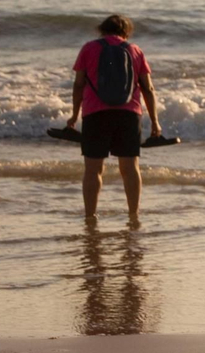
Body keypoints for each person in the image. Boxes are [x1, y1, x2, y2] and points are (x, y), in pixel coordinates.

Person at [66, 14, 162, 220]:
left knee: (93, 170)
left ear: (102, 29)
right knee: (130, 168)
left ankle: (90, 216)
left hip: (95, 114)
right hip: (129, 114)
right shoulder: (135, 51)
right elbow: (148, 88)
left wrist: (74, 115)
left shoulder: (89, 49)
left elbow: (78, 85)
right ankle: (134, 214)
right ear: (126, 32)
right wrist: (155, 121)